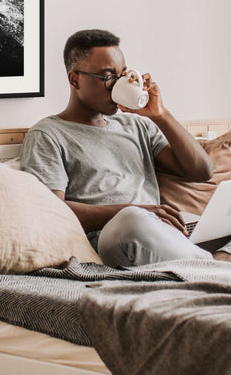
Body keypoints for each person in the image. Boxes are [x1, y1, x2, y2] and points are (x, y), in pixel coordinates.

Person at [21, 29, 231, 267]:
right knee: (131, 220)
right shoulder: (48, 134)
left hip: (166, 235)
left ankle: (215, 262)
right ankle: (214, 268)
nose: (118, 85)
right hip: (115, 236)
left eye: (123, 75)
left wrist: (161, 115)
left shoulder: (136, 125)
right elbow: (52, 211)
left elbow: (202, 172)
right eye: (108, 77)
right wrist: (137, 209)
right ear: (74, 79)